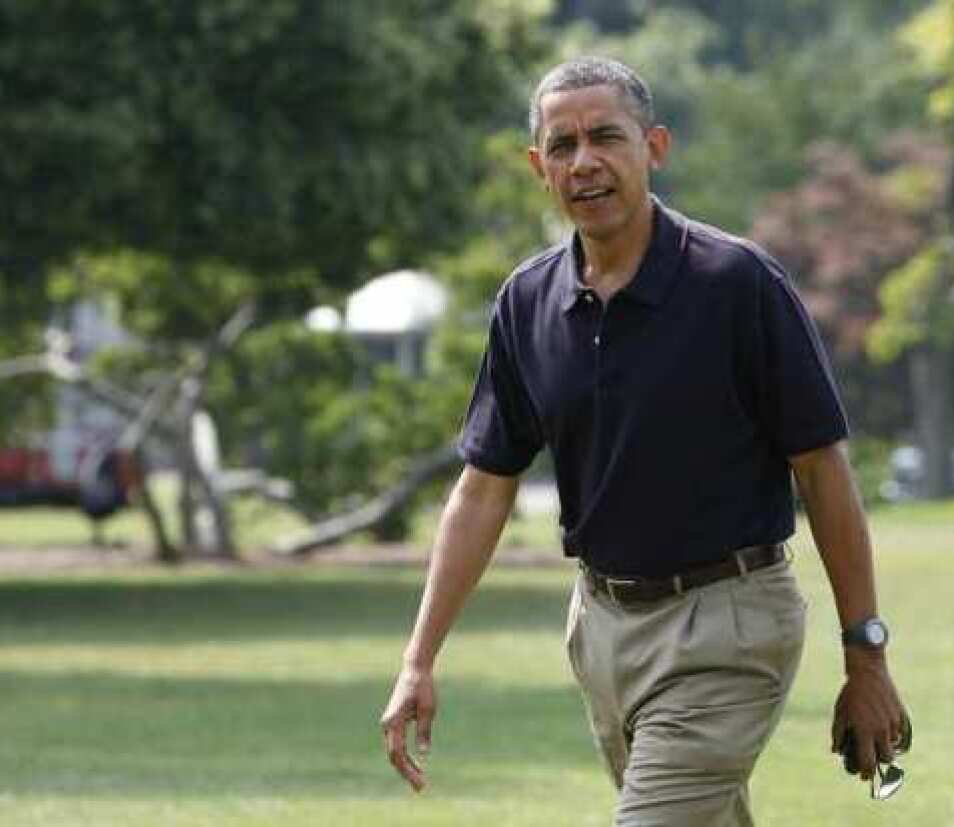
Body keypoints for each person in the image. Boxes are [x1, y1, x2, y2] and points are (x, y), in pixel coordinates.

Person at [380, 56, 908, 825]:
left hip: (731, 624)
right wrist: (417, 660)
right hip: (603, 630)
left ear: (653, 147)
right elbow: (484, 485)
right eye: (562, 146)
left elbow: (822, 469)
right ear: (539, 167)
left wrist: (867, 655)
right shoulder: (527, 302)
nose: (584, 162)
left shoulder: (738, 285)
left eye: (605, 137)